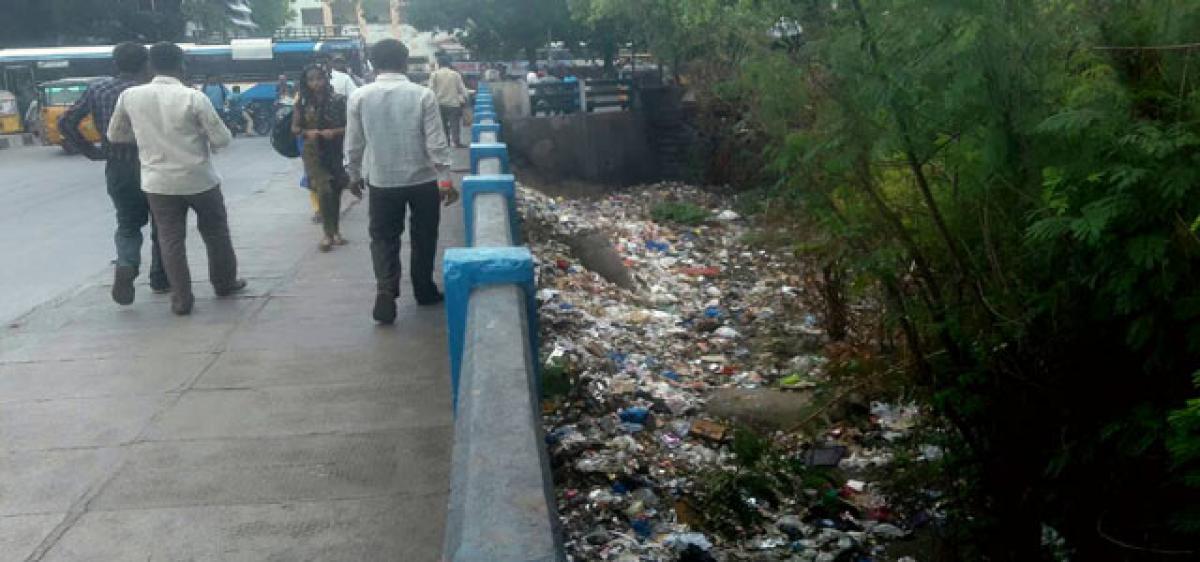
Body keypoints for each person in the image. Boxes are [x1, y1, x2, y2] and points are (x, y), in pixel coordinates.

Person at [108, 42, 245, 316]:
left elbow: (116, 135)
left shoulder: (130, 96)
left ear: (150, 65)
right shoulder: (193, 97)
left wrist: (147, 140)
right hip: (199, 179)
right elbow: (222, 138)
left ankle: (181, 300)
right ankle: (224, 282)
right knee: (215, 231)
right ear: (181, 65)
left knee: (171, 239)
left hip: (157, 182)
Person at [346, 39, 458, 324]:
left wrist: (354, 174)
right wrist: (445, 179)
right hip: (422, 180)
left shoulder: (359, 96)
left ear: (372, 63)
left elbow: (354, 143)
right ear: (404, 61)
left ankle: (386, 286)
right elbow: (436, 142)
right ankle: (423, 289)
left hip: (382, 180)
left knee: (383, 237)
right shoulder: (422, 95)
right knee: (424, 235)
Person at [59, 41, 169, 305]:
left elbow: (66, 121)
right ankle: (160, 278)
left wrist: (91, 151)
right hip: (156, 165)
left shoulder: (98, 88)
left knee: (128, 225)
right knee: (162, 224)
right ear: (147, 64)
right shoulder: (153, 91)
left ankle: (127, 264)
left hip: (118, 167)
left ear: (115, 64)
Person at [292, 64, 358, 252]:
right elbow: (294, 128)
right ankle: (327, 234)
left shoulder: (339, 100)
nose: (316, 83)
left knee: (336, 189)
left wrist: (334, 132)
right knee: (324, 189)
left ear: (326, 79)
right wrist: (308, 132)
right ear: (305, 82)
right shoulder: (302, 103)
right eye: (311, 80)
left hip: (335, 149)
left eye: (319, 79)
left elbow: (351, 126)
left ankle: (335, 231)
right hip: (313, 152)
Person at [428, 54, 468, 148]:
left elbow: (430, 89)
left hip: (440, 104)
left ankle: (446, 142)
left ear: (439, 64)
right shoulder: (455, 74)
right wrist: (466, 99)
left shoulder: (435, 74)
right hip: (454, 104)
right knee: (455, 124)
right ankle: (456, 142)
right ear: (449, 64)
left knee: (442, 125)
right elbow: (462, 89)